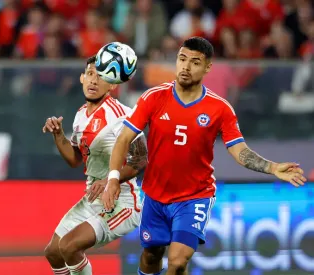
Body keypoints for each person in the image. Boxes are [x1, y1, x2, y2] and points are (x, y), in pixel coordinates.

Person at [102, 37, 306, 275]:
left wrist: (272, 168)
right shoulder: (153, 98)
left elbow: (239, 151)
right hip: (155, 195)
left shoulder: (220, 109)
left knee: (178, 261)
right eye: (182, 59)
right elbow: (123, 139)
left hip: (194, 196)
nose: (186, 67)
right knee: (151, 255)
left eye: (195, 62)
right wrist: (113, 179)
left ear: (208, 67)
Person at [42, 56, 147, 275]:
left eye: (101, 76)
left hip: (122, 202)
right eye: (90, 74)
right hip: (93, 198)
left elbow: (141, 160)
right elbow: (74, 159)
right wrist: (58, 135)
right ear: (82, 78)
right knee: (53, 251)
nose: (93, 81)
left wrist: (111, 179)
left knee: (70, 246)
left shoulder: (122, 116)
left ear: (112, 84)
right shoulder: (81, 115)